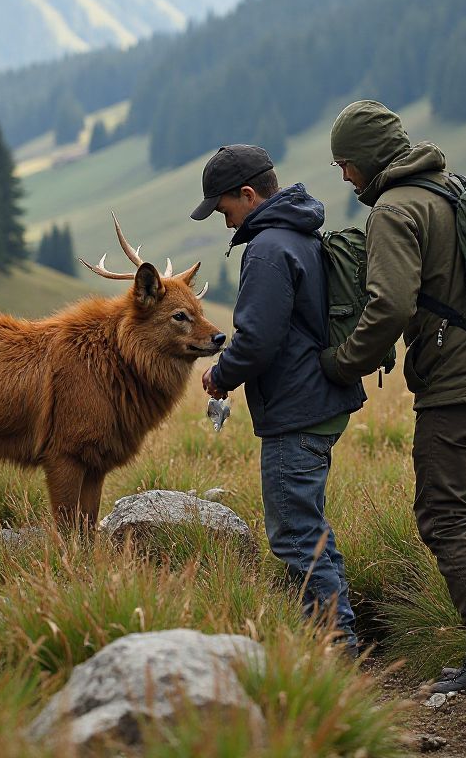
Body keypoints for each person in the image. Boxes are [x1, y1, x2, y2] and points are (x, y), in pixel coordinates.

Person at [320, 100, 466, 694]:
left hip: (461, 384)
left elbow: (388, 304)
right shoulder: (454, 187)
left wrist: (344, 363)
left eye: (345, 163)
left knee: (445, 515)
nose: (343, 176)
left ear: (366, 159)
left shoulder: (397, 208)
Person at [191, 144, 366, 654]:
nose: (225, 224)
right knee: (307, 528)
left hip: (297, 410)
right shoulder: (300, 234)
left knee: (294, 534)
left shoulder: (267, 248)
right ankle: (341, 638)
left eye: (224, 210)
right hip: (319, 402)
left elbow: (259, 338)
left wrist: (221, 373)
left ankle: (336, 651)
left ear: (247, 195)